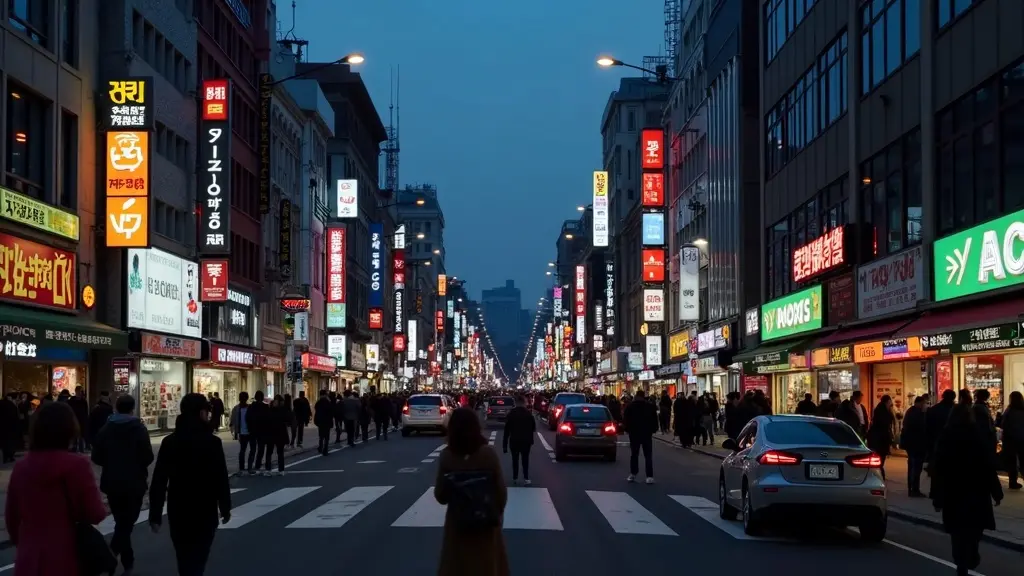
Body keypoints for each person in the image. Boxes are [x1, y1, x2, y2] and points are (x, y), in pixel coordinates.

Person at [5, 401, 108, 575]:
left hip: (29, 559)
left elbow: (11, 517)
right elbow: (95, 513)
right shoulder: (77, 465)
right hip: (67, 557)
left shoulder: (22, 467)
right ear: (70, 429)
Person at [149, 393, 232, 576]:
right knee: (199, 556)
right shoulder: (212, 442)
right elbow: (221, 478)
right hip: (205, 507)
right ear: (202, 413)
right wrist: (225, 507)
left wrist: (155, 514)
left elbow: (159, 479)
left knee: (183, 556)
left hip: (178, 507)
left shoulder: (170, 442)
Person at [930, 397, 1003, 576]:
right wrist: (996, 491)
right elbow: (988, 466)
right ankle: (971, 554)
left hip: (953, 493)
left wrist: (937, 497)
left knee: (957, 532)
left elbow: (938, 468)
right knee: (974, 529)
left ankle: (961, 561)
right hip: (975, 492)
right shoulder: (976, 436)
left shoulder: (946, 437)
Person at [434, 408, 509, 575]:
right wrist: (496, 513)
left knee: (457, 567)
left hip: (458, 525)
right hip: (485, 524)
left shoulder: (448, 456)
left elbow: (440, 496)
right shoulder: (488, 454)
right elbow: (501, 493)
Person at [91, 394, 154, 574]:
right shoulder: (138, 428)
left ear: (116, 407)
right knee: (126, 524)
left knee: (122, 522)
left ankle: (127, 561)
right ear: (132, 408)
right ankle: (111, 557)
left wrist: (112, 463)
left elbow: (96, 456)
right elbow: (148, 456)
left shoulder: (107, 428)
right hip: (134, 481)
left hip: (112, 481)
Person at [623, 389, 658, 484]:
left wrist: (627, 429)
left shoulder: (630, 406)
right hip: (646, 433)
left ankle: (633, 474)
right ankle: (649, 476)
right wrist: (653, 429)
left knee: (634, 454)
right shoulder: (650, 406)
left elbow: (626, 419)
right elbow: (654, 420)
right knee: (648, 455)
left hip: (634, 433)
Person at [502, 395, 536, 485]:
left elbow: (506, 431)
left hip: (514, 440)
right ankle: (526, 478)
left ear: (515, 403)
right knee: (525, 459)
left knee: (515, 460)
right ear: (524, 403)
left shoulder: (511, 414)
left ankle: (515, 478)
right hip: (526, 441)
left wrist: (504, 446)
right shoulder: (528, 414)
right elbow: (533, 428)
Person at [900, 395, 929, 497]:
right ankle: (914, 489)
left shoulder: (910, 411)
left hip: (910, 444)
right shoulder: (918, 414)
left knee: (912, 466)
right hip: (916, 445)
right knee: (916, 467)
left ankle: (911, 488)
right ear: (920, 403)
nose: (925, 405)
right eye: (924, 403)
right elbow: (921, 429)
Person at [867, 395, 896, 479]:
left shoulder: (882, 409)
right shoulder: (882, 410)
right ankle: (878, 474)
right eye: (890, 400)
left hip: (879, 438)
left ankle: (879, 473)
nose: (891, 402)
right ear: (887, 401)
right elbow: (885, 425)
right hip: (880, 438)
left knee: (880, 457)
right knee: (880, 457)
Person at [245, 391, 272, 475]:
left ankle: (250, 467)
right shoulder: (265, 407)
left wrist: (249, 427)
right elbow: (268, 419)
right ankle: (257, 465)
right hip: (262, 431)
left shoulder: (251, 407)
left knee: (253, 449)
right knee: (261, 449)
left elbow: (247, 418)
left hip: (253, 430)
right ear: (262, 397)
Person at [1002, 390, 1024, 490]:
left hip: (1010, 439)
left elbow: (1003, 424)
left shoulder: (1009, 410)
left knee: (1012, 461)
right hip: (1022, 438)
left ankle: (1013, 481)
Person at [229, 391, 252, 475]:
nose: (242, 399)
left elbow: (232, 421)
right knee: (243, 450)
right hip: (242, 432)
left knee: (249, 450)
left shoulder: (250, 407)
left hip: (250, 431)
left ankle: (247, 468)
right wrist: (233, 431)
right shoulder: (236, 408)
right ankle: (243, 468)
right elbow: (232, 421)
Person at [270, 395, 290, 474]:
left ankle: (277, 469)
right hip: (277, 433)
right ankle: (280, 469)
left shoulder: (279, 410)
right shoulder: (278, 410)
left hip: (275, 433)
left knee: (277, 452)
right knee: (277, 452)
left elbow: (287, 419)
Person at [314, 390, 334, 456]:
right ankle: (325, 449)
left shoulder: (318, 402)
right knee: (326, 436)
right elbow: (331, 413)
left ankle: (320, 447)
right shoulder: (328, 402)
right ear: (325, 395)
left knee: (321, 435)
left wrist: (316, 420)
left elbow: (316, 412)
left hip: (320, 421)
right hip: (327, 421)